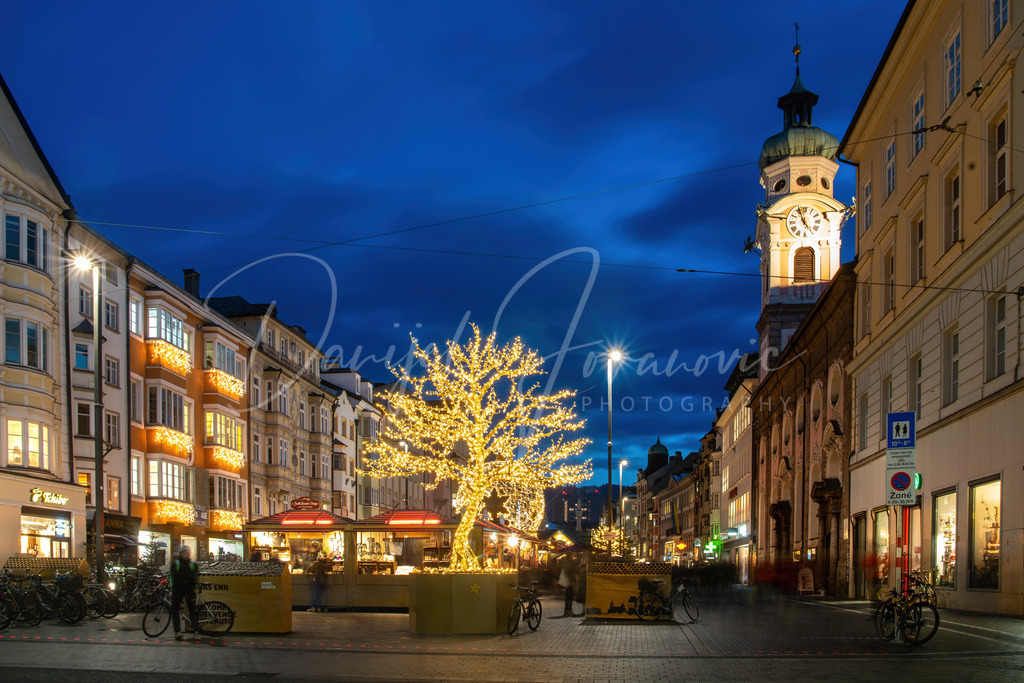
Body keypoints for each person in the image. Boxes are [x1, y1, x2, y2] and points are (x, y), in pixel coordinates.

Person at [170, 545, 199, 641]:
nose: (187, 555)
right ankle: (177, 631)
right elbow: (172, 578)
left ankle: (195, 631)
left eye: (188, 553)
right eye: (185, 553)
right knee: (175, 610)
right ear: (181, 554)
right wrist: (172, 589)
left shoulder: (192, 565)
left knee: (192, 611)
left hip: (188, 590)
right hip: (178, 590)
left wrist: (194, 588)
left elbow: (195, 578)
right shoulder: (176, 565)